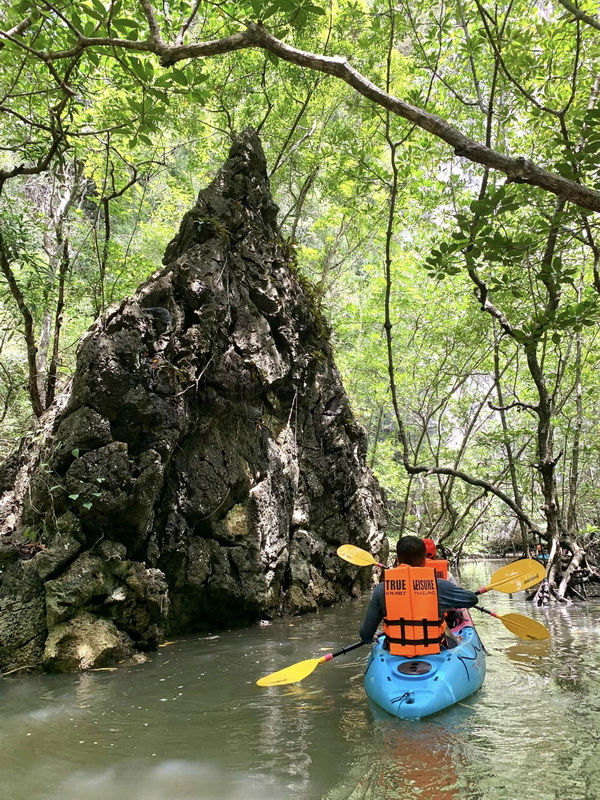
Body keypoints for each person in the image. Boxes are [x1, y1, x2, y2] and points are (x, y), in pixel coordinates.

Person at [359, 536, 479, 649]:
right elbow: (471, 599)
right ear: (424, 561)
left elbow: (365, 635)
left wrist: (370, 637)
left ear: (398, 560)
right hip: (435, 649)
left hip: (394, 650)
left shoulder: (381, 589)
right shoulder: (439, 586)